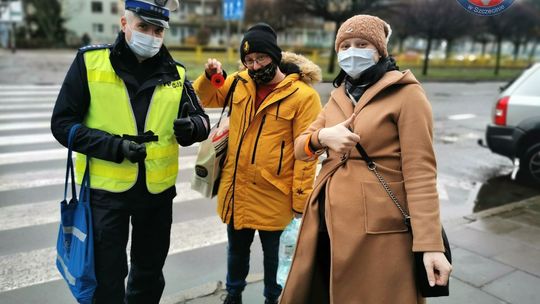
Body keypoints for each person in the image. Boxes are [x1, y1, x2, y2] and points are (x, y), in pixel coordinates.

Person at [280, 14, 452, 304]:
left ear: (379, 50)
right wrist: (323, 138)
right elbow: (300, 148)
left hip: (381, 230)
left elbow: (420, 173)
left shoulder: (407, 94)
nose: (351, 52)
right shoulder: (338, 95)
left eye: (361, 44)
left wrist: (430, 245)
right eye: (344, 46)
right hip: (327, 224)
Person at [50, 1, 210, 303]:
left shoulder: (175, 72)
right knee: (107, 278)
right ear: (125, 24)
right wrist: (114, 147)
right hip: (105, 195)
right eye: (143, 27)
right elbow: (62, 124)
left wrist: (193, 129)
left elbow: (202, 118)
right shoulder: (90, 63)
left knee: (149, 276)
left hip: (157, 195)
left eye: (158, 30)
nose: (151, 35)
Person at [193, 23, 322, 304]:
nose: (254, 65)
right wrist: (209, 77)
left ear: (274, 57)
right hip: (237, 188)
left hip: (276, 193)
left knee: (275, 257)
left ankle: (273, 298)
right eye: (248, 60)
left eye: (260, 58)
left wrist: (301, 201)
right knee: (236, 251)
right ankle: (234, 293)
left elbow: (306, 152)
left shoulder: (303, 96)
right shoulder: (239, 82)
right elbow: (203, 98)